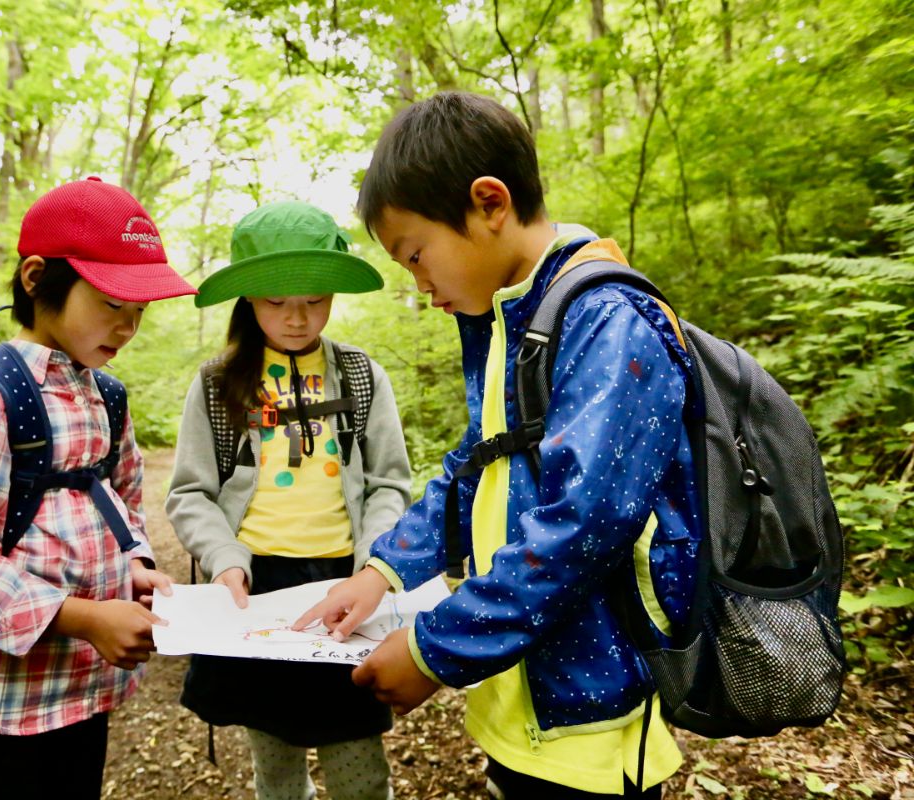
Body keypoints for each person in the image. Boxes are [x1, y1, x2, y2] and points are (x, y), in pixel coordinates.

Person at [295, 91, 702, 799]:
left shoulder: (607, 320)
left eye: (417, 256)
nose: (421, 287)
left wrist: (431, 651)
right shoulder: (513, 320)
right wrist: (382, 572)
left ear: (489, 203)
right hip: (523, 702)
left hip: (594, 719)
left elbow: (584, 526)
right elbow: (472, 469)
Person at [0, 176, 195, 798]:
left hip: (83, 697)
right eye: (111, 305)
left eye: (140, 312)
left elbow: (121, 501)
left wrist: (136, 565)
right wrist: (84, 617)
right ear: (37, 278)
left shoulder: (105, 395)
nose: (127, 328)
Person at [166, 201, 413, 800]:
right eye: (278, 301)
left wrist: (374, 564)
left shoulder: (359, 376)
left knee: (358, 764)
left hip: (344, 589)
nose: (299, 319)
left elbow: (389, 483)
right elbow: (190, 493)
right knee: (274, 766)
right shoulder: (218, 383)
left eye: (315, 300)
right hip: (255, 594)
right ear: (249, 298)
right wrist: (225, 557)